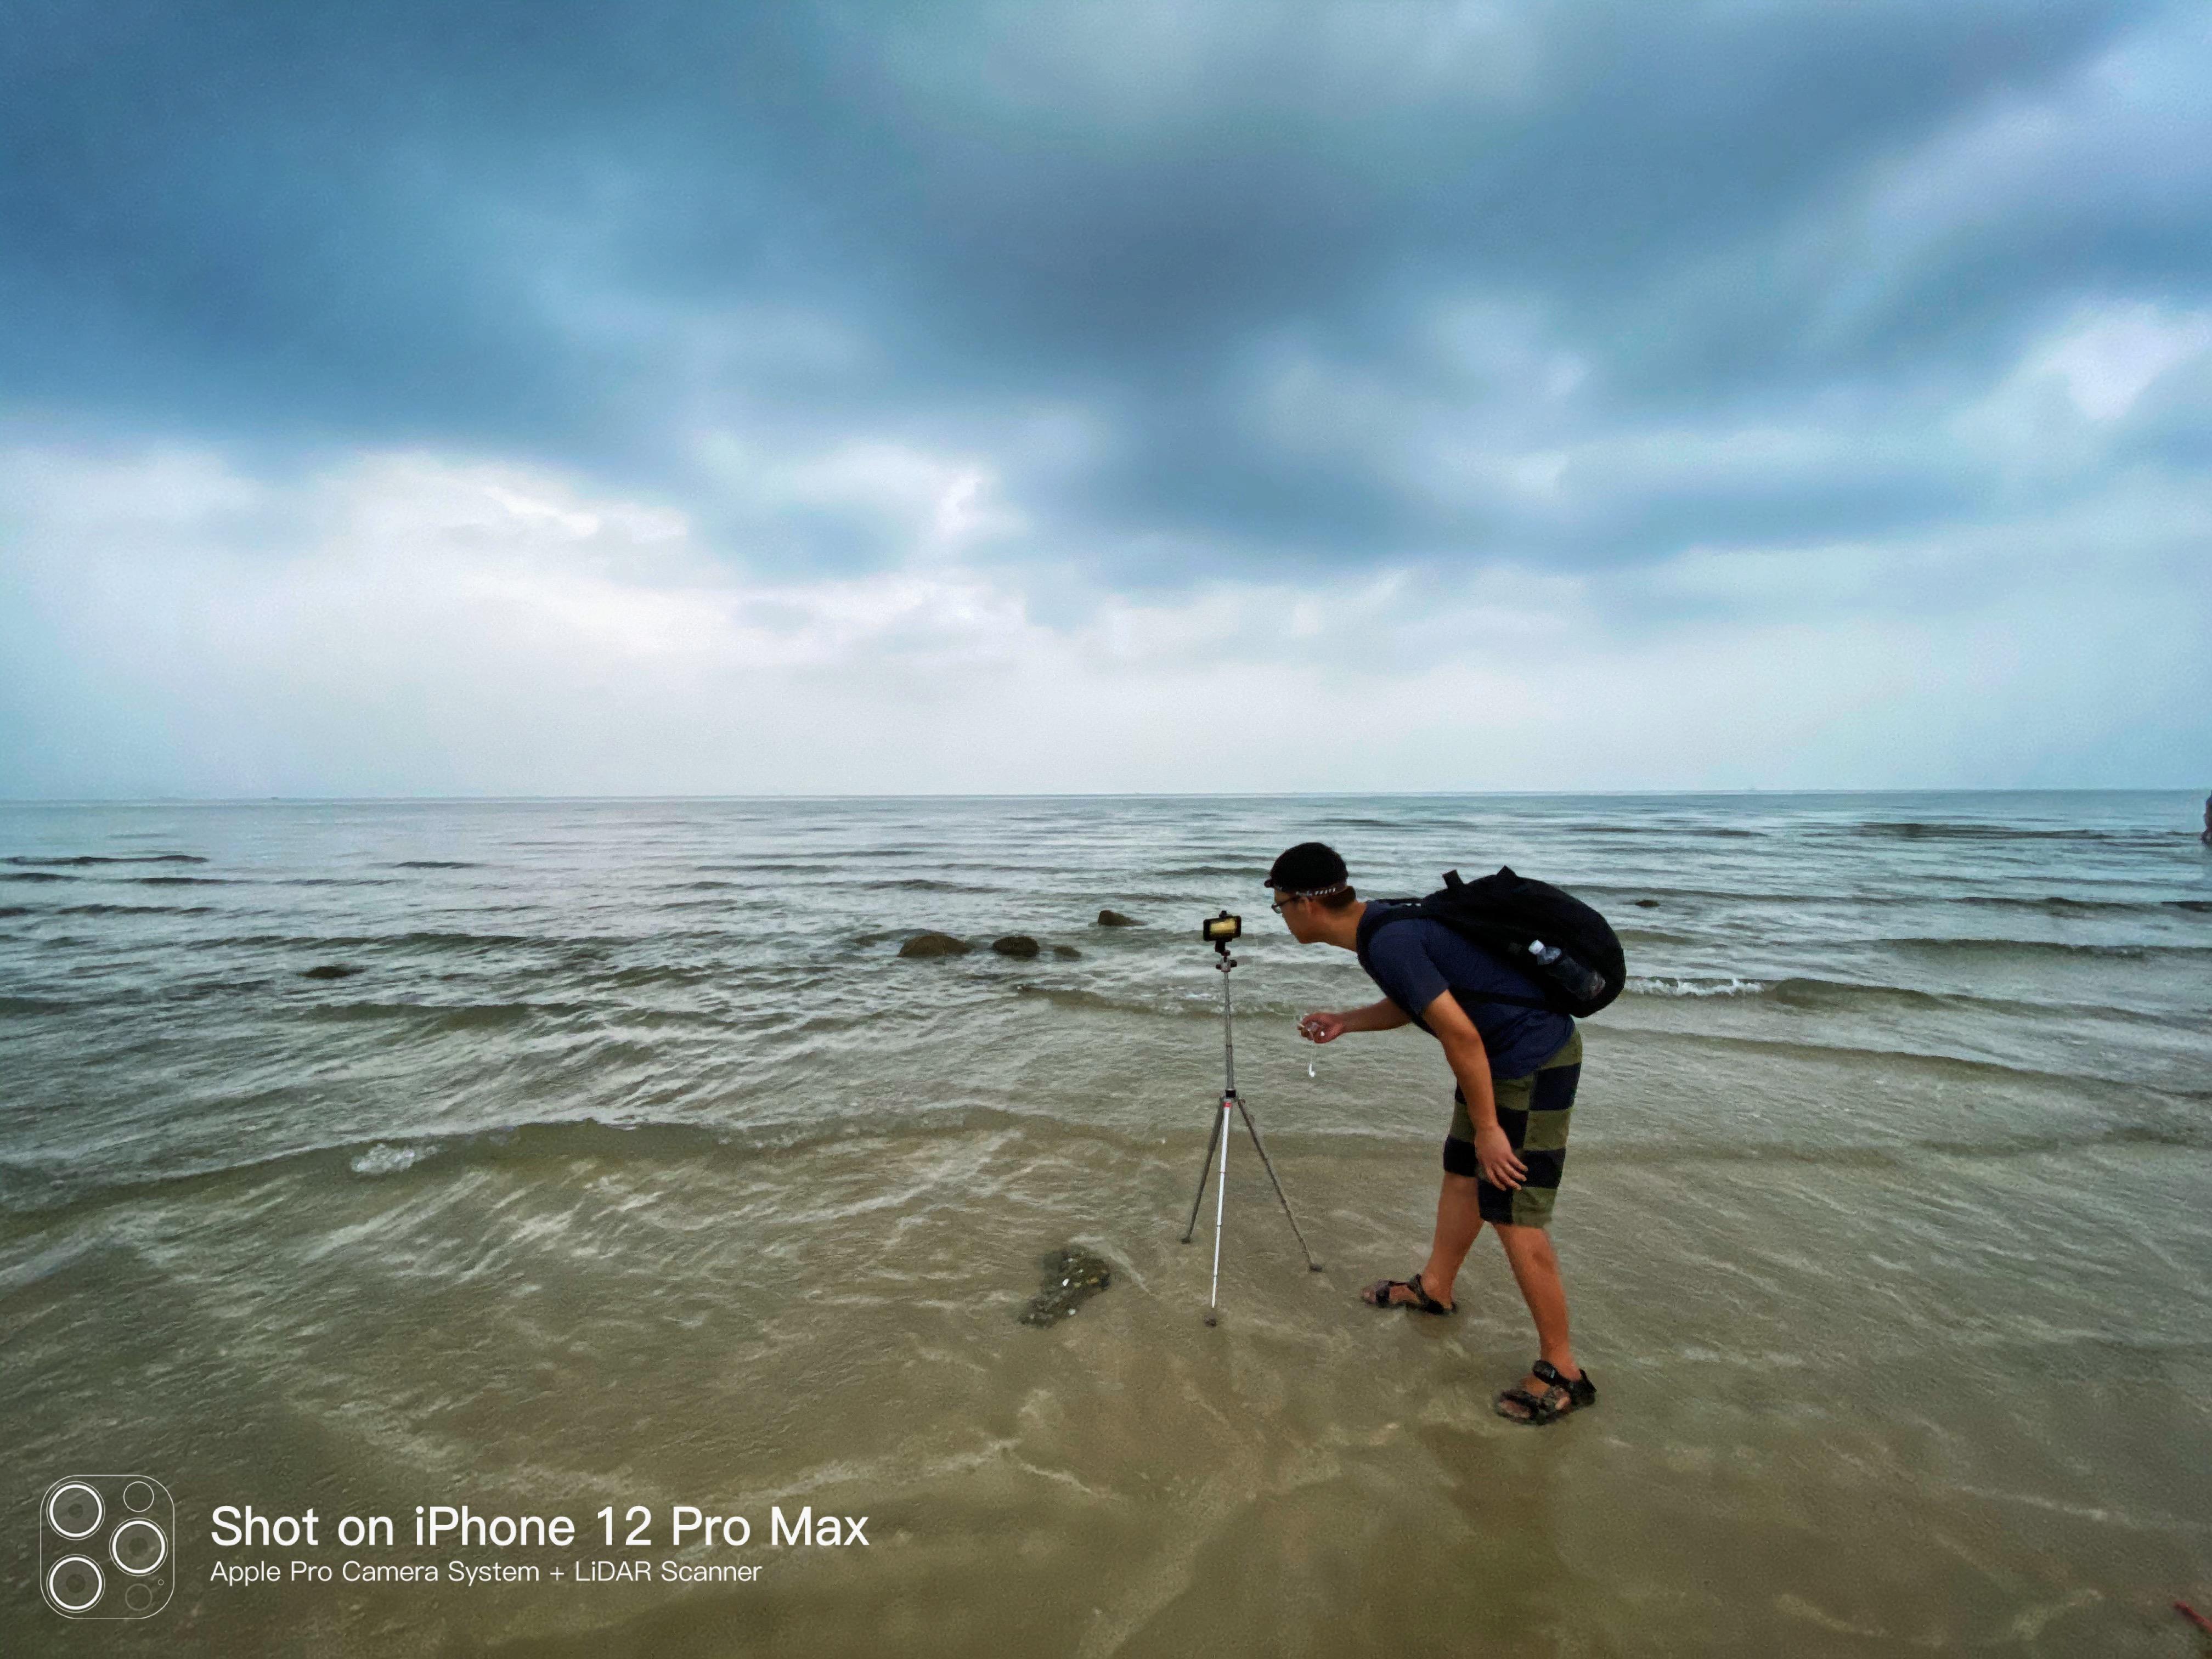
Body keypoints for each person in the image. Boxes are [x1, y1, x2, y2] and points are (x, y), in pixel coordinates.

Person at [1267, 840, 1596, 1426]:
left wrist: (1492, 1127)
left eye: (1280, 904)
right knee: (1462, 1173)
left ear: (1307, 907)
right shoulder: (1379, 927)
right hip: (1497, 1061)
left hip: (1529, 1060)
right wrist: (1349, 1020)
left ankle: (1564, 1369)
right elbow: (1418, 1002)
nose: (1283, 914)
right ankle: (1435, 1288)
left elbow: (1461, 1036)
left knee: (1513, 1209)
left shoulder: (1388, 939)